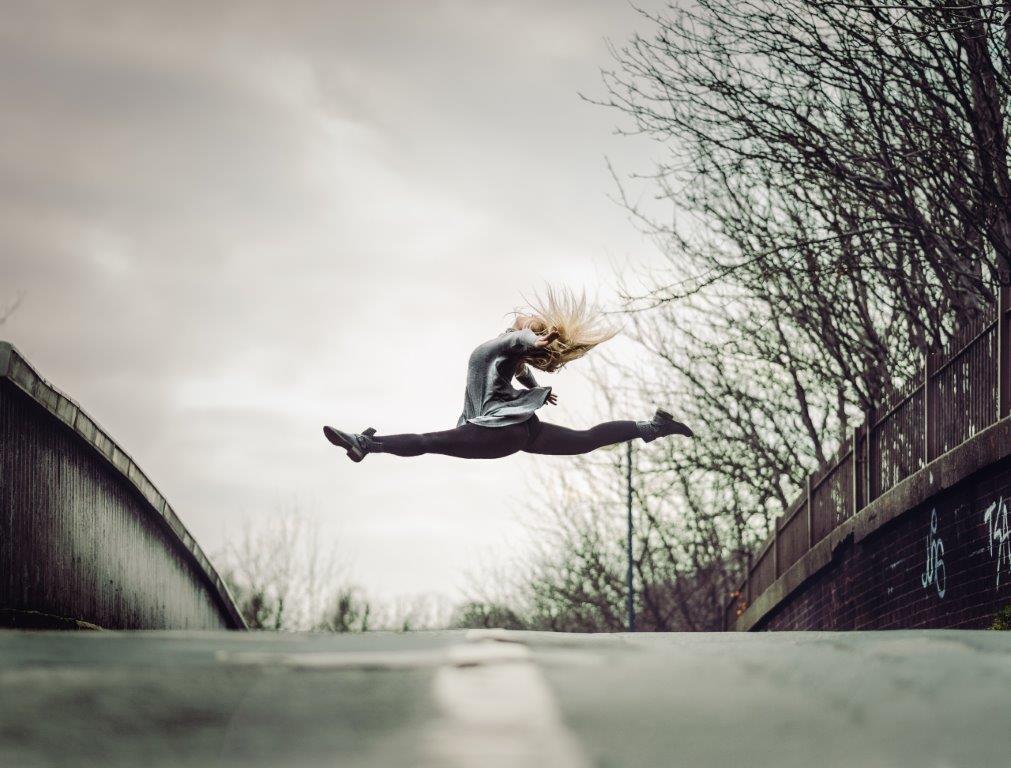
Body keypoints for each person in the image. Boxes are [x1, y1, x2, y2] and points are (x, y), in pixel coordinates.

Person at [323, 286, 692, 462]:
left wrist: (536, 336)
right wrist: (534, 388)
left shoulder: (499, 345)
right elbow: (522, 368)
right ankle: (651, 427)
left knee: (427, 440)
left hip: (494, 429)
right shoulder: (511, 357)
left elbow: (519, 339)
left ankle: (366, 443)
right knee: (585, 439)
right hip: (523, 427)